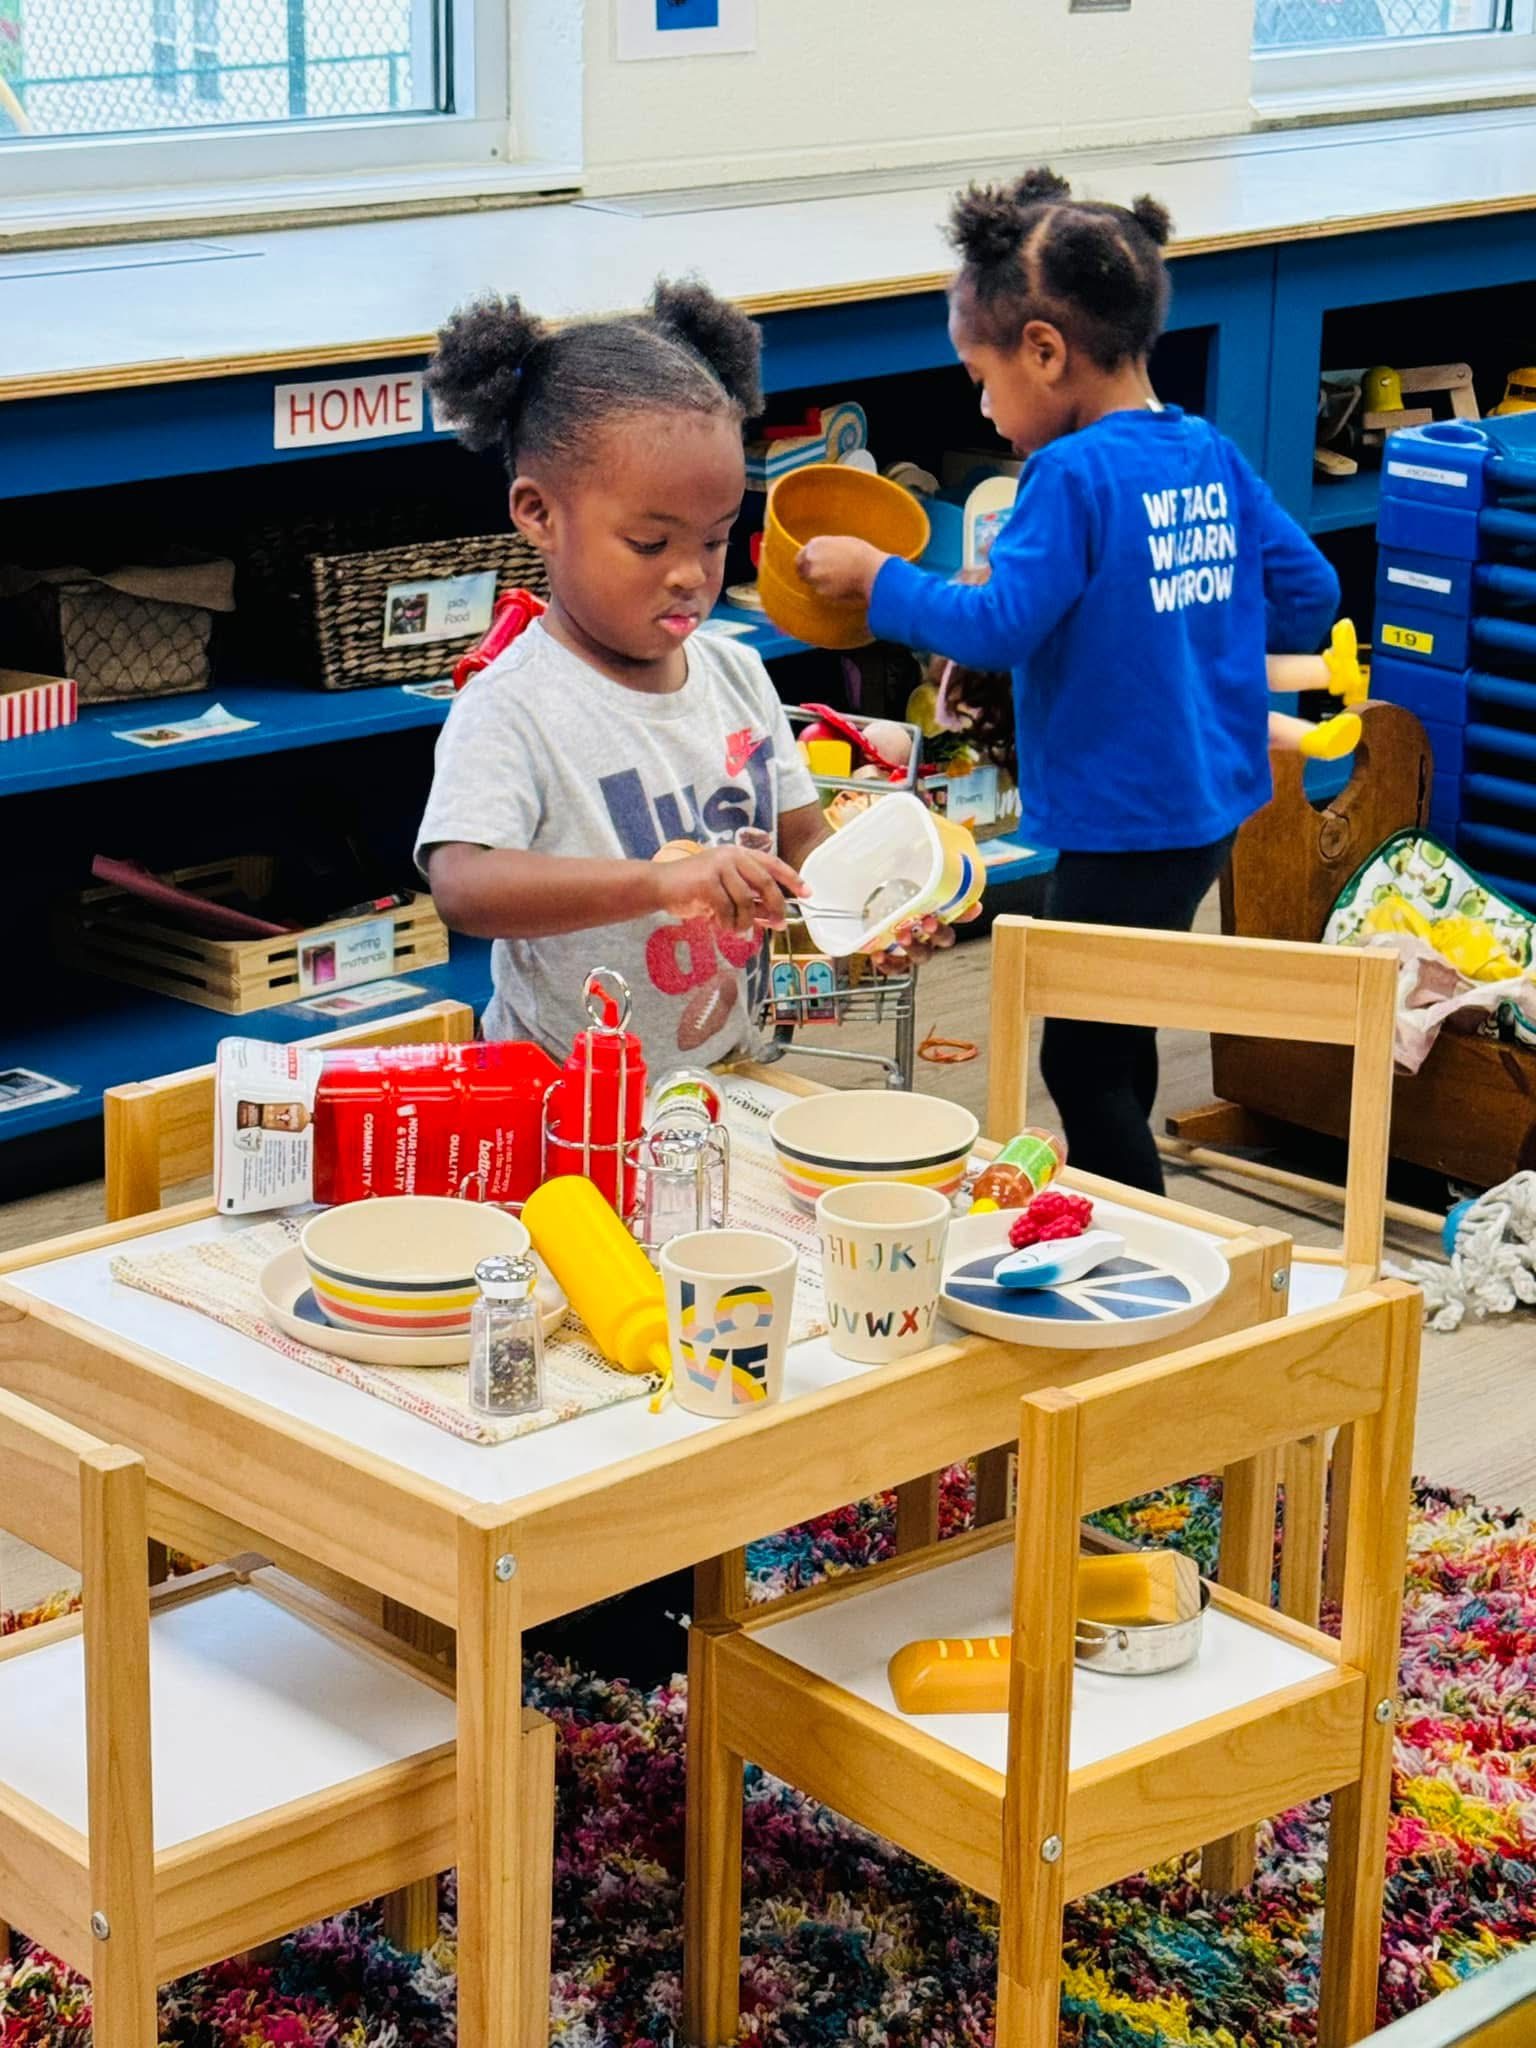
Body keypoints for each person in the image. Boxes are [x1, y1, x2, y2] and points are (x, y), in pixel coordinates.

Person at [796, 169, 1341, 1193]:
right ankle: (1140, 1222)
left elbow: (999, 627)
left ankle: (1144, 1239)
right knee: (1118, 1021)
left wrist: (879, 580)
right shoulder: (1207, 451)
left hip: (1120, 823)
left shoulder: (1069, 475)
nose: (983, 402)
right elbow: (1308, 590)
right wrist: (1187, 641)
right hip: (1206, 812)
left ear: (1045, 351)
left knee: (1080, 1062)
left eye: (981, 375)